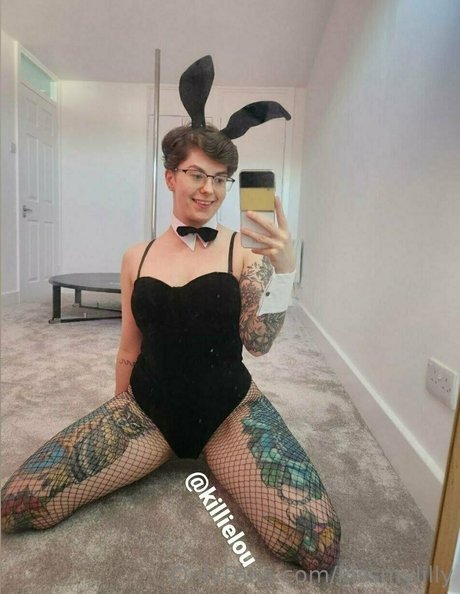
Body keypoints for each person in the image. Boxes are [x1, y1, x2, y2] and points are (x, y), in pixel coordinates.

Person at [1, 57, 341, 572]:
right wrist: (117, 411)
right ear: (169, 176)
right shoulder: (135, 257)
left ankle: (216, 457)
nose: (209, 189)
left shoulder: (244, 253)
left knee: (316, 546)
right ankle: (161, 448)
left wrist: (285, 271)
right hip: (147, 411)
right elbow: (128, 346)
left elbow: (259, 343)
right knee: (20, 503)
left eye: (221, 179)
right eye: (196, 174)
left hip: (229, 412)